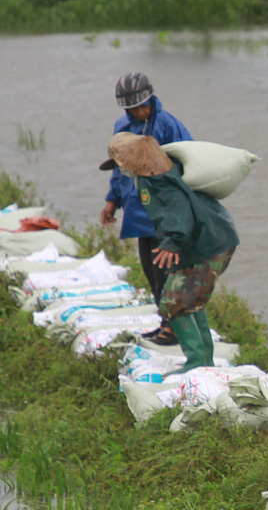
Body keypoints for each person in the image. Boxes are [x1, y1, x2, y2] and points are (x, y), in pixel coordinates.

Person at [99, 132, 237, 373]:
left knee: (171, 302)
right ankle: (204, 362)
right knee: (190, 301)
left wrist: (172, 243)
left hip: (208, 244)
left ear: (133, 162)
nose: (121, 171)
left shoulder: (155, 181)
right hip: (216, 237)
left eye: (121, 165)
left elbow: (178, 211)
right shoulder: (164, 173)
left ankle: (197, 362)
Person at [99, 72, 194, 343]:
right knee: (152, 272)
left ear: (151, 99)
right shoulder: (123, 127)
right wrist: (112, 200)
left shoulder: (168, 125)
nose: (139, 112)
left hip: (166, 211)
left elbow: (190, 159)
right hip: (140, 211)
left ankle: (175, 328)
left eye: (143, 106)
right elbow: (119, 167)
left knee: (169, 271)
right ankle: (165, 321)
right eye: (132, 109)